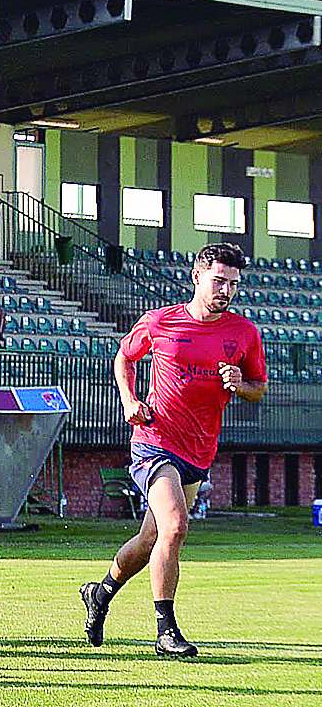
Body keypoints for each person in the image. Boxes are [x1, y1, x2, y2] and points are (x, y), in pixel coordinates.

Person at [81, 243, 266, 659]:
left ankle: (100, 592)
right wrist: (129, 401)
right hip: (155, 441)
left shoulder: (244, 333)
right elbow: (123, 358)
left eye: (233, 284)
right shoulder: (162, 322)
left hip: (199, 452)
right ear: (197, 277)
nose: (226, 291)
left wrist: (240, 383)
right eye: (219, 281)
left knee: (152, 539)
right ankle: (166, 630)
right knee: (176, 527)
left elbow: (258, 388)